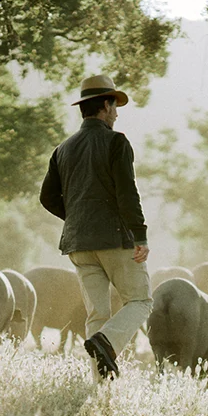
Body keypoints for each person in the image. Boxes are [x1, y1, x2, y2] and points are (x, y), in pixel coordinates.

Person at [40, 74, 152, 378]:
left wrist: (78, 219)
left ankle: (101, 385)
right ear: (104, 106)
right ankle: (108, 342)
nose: (116, 114)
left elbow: (47, 197)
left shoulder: (62, 149)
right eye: (114, 106)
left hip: (78, 245)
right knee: (140, 301)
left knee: (97, 314)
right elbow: (127, 193)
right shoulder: (116, 142)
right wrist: (140, 235)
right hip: (115, 240)